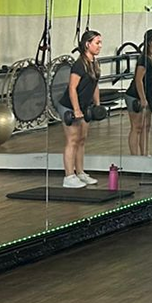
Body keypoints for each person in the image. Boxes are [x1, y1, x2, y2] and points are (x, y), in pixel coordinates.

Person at [60, 30, 102, 188]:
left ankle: (80, 173)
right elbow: (72, 88)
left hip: (85, 106)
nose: (100, 46)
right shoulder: (79, 65)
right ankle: (69, 177)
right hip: (69, 106)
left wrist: (97, 105)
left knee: (82, 140)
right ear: (87, 44)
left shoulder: (95, 63)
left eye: (100, 43)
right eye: (97, 43)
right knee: (72, 140)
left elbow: (95, 85)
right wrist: (76, 110)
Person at [125, 29, 152, 156]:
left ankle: (145, 155)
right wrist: (142, 99)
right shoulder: (144, 59)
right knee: (137, 127)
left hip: (148, 96)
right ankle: (135, 158)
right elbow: (138, 80)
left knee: (147, 127)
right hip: (134, 96)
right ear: (150, 42)